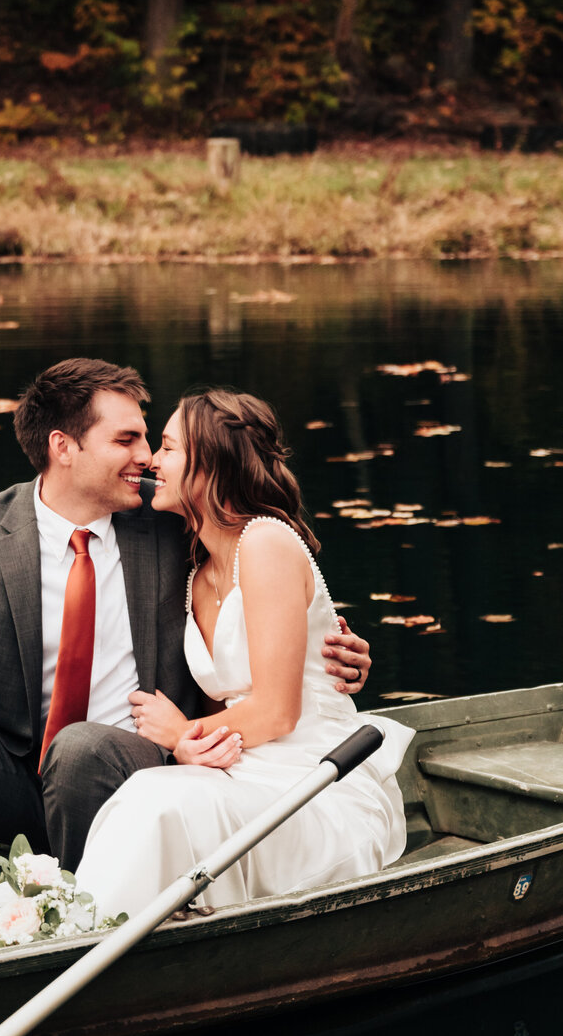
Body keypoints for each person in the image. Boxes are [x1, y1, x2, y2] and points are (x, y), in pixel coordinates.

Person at [0, 360, 373, 944]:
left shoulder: (172, 516)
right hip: (19, 774)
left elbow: (273, 586)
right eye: (127, 439)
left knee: (83, 746)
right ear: (64, 447)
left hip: (142, 766)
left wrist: (336, 651)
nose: (146, 456)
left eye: (150, 439)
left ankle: (67, 926)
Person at [76, 389, 411, 919]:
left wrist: (183, 733)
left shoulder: (266, 542)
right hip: (242, 767)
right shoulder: (200, 570)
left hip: (314, 777)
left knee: (157, 801)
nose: (152, 462)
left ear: (210, 465)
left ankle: (85, 935)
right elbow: (235, 700)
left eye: (168, 448)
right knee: (153, 798)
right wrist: (195, 741)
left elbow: (278, 711)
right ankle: (84, 932)